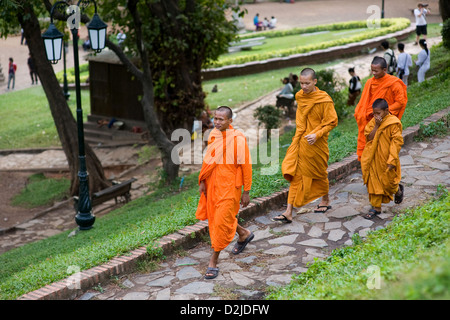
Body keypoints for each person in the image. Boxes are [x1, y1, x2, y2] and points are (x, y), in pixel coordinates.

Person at [272, 68, 338, 223]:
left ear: (315, 82)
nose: (303, 86)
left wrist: (316, 134)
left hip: (318, 142)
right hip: (302, 141)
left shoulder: (324, 99)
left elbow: (332, 122)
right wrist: (302, 136)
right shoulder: (300, 96)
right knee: (296, 176)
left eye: (307, 83)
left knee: (320, 173)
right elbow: (301, 120)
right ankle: (288, 211)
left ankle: (326, 200)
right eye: (301, 83)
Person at [195, 106, 254, 280]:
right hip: (213, 184)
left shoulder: (238, 139)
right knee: (220, 217)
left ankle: (213, 261)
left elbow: (246, 166)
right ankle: (244, 234)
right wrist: (202, 181)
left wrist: (246, 191)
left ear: (230, 121)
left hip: (230, 187)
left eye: (221, 119)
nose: (217, 122)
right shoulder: (213, 134)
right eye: (216, 118)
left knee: (220, 222)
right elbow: (209, 160)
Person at [354, 56, 407, 161]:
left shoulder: (394, 83)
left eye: (376, 71)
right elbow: (364, 102)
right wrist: (362, 112)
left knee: (383, 148)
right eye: (372, 70)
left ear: (384, 69)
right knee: (368, 145)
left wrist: (383, 113)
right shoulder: (369, 82)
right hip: (370, 119)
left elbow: (400, 102)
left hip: (385, 119)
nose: (373, 73)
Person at [360, 98, 404, 219]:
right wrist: (377, 126)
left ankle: (398, 190)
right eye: (374, 113)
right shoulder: (374, 122)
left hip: (387, 158)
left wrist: (392, 159)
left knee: (389, 182)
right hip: (373, 158)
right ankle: (376, 208)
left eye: (378, 113)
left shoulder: (393, 123)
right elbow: (369, 138)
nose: (376, 116)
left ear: (386, 110)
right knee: (373, 182)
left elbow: (397, 142)